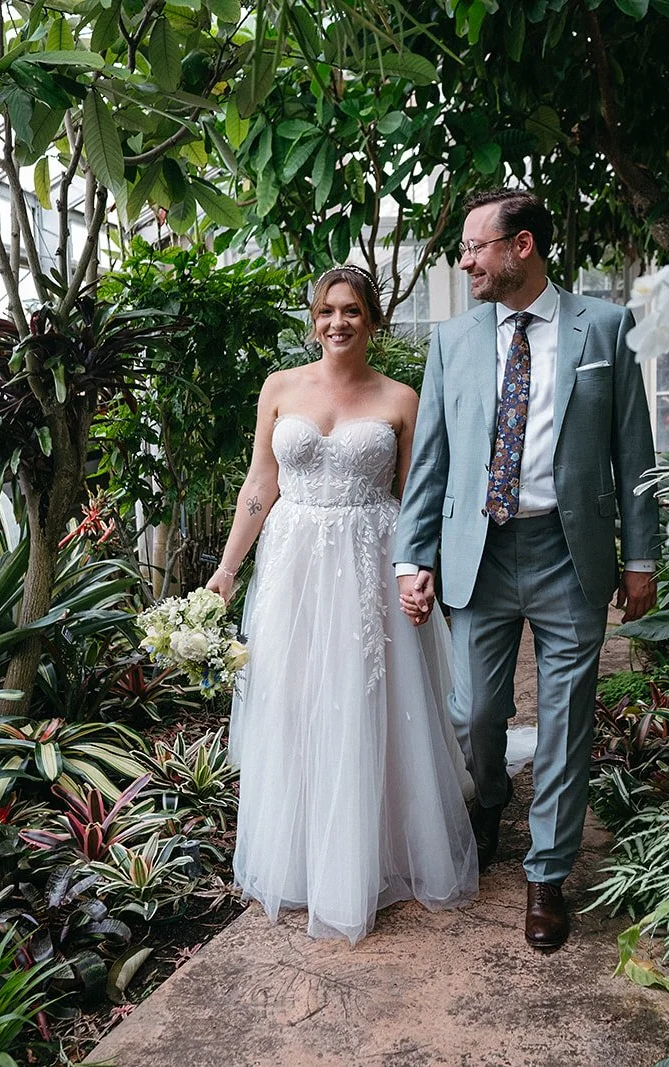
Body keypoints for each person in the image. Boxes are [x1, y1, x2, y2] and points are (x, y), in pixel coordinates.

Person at [393, 188, 660, 951]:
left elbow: (632, 452)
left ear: (524, 246)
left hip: (568, 553)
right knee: (476, 708)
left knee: (568, 715)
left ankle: (546, 873)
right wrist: (414, 557)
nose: (466, 260)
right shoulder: (452, 341)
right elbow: (434, 461)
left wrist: (639, 558)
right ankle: (490, 800)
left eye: (477, 246)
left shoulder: (604, 328)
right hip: (478, 551)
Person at [207, 265, 478, 945]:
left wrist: (422, 573)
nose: (337, 322)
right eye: (326, 310)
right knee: (296, 699)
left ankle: (372, 855)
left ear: (374, 320)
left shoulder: (401, 398)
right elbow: (258, 487)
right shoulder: (280, 389)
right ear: (313, 319)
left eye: (351, 310)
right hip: (294, 566)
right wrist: (226, 569)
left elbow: (421, 499)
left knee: (368, 703)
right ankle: (299, 855)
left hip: (371, 565)